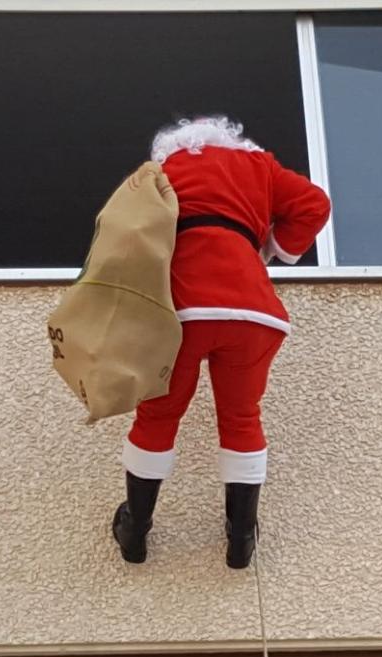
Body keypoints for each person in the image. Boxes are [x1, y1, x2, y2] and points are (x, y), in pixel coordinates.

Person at [112, 116, 331, 569]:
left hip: (182, 309)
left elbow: (124, 230)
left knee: (158, 414)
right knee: (241, 417)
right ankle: (240, 538)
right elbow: (315, 203)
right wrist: (275, 250)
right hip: (252, 313)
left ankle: (135, 528)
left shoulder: (160, 172)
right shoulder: (261, 167)